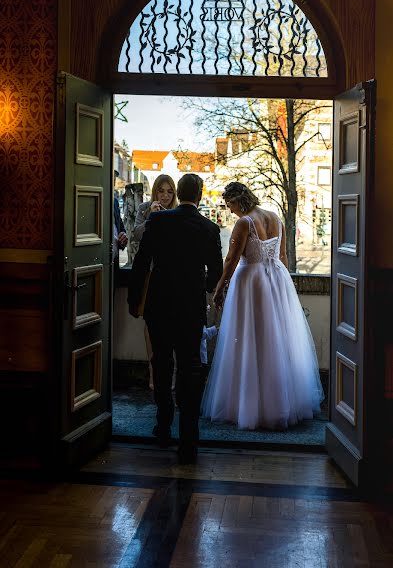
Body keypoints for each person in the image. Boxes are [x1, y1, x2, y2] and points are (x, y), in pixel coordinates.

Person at [202, 182, 324, 431]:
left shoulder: (245, 222)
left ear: (238, 201)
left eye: (230, 205)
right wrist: (284, 287)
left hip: (252, 283)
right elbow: (283, 256)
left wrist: (218, 289)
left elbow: (232, 259)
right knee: (276, 340)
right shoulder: (275, 218)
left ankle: (250, 406)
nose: (230, 211)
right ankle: (281, 403)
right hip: (277, 280)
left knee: (250, 339)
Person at [128, 173, 223, 464]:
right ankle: (188, 440)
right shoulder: (209, 228)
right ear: (200, 194)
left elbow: (142, 263)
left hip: (159, 305)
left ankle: (163, 426)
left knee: (161, 362)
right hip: (190, 308)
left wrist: (135, 301)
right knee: (190, 368)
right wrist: (202, 289)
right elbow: (216, 273)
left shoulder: (158, 222)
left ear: (179, 193)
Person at [133, 174, 178, 390]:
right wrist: (152, 217)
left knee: (172, 324)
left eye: (170, 191)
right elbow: (136, 235)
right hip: (149, 274)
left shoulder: (178, 211)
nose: (166, 195)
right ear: (155, 191)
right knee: (149, 323)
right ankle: (153, 371)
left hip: (171, 275)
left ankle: (171, 373)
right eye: (162, 191)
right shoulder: (144, 208)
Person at [113, 170, 128, 283]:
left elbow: (121, 228)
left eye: (113, 179)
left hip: (113, 262)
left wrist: (123, 236)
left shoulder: (114, 202)